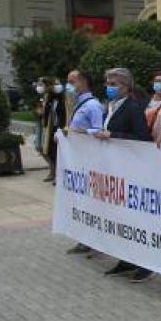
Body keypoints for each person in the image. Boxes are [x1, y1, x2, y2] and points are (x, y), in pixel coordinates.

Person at [95, 68, 153, 281]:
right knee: (120, 218)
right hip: (115, 171)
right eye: (108, 82)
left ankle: (144, 264)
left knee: (136, 220)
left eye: (114, 83)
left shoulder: (133, 107)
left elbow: (142, 138)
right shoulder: (110, 106)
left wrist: (114, 135)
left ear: (126, 87)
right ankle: (126, 259)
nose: (109, 87)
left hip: (132, 170)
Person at [62, 69, 103, 257]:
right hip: (79, 162)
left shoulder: (92, 105)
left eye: (72, 81)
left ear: (84, 82)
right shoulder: (79, 103)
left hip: (91, 162)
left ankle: (95, 241)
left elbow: (98, 131)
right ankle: (84, 239)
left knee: (92, 204)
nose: (69, 85)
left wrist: (78, 133)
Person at [37, 77, 66, 183]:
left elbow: (63, 114)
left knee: (57, 151)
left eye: (57, 84)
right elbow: (43, 111)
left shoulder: (62, 99)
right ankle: (54, 172)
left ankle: (58, 175)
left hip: (60, 128)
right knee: (49, 151)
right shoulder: (50, 99)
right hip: (50, 128)